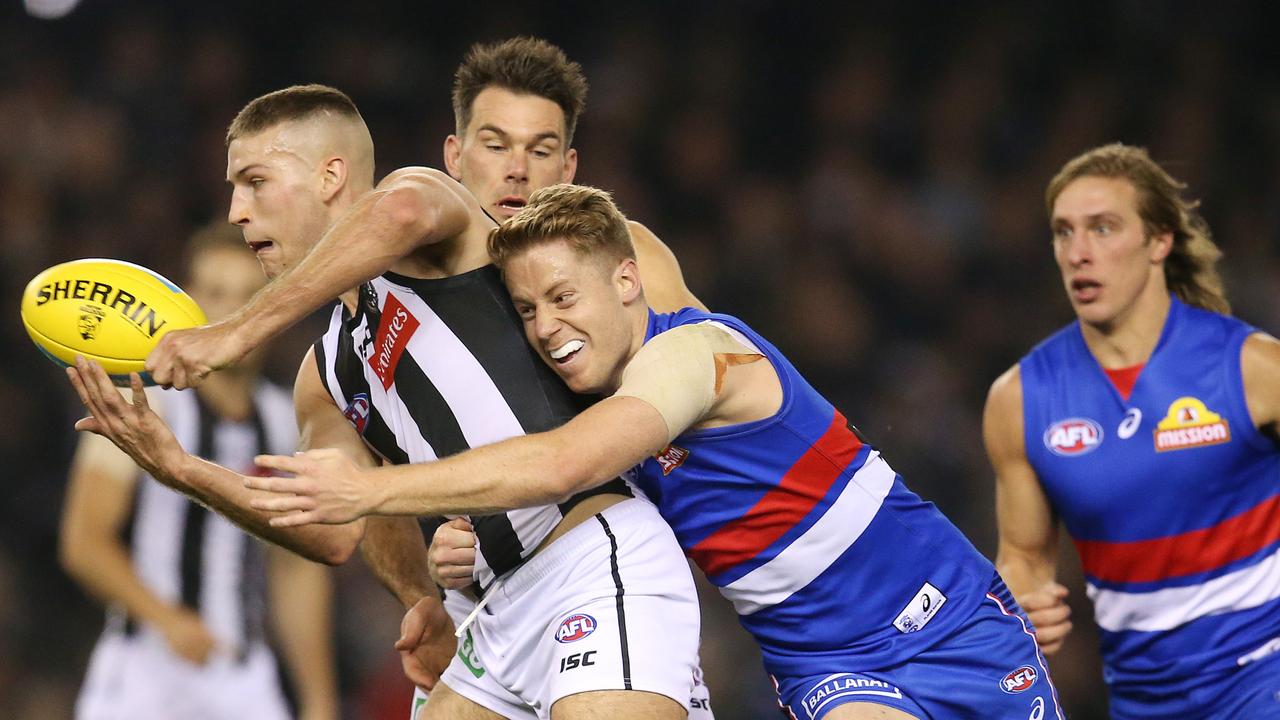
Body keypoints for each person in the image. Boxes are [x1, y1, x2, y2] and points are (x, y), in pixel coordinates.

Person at [239, 183, 1064, 720]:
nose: (548, 328)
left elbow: (563, 463)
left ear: (627, 282)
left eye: (563, 298)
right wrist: (460, 536)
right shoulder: (597, 399)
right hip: (826, 666)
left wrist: (370, 491)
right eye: (527, 311)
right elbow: (527, 466)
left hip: (950, 622)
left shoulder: (692, 355)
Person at [76, 38, 713, 719]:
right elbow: (334, 528)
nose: (235, 210)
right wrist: (179, 468)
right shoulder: (325, 372)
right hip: (491, 617)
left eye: (255, 182)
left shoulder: (437, 216)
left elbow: (399, 213)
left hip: (590, 564)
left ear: (329, 177)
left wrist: (232, 333)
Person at [981, 143, 1280, 718]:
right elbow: (1024, 557)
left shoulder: (1252, 369)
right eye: (1064, 232)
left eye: (1103, 228)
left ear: (1159, 242)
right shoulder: (1020, 401)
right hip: (1144, 699)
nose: (1079, 252)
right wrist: (1021, 604)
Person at [60, 225, 339, 720]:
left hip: (243, 675)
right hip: (144, 669)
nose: (231, 313)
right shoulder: (144, 407)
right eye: (215, 294)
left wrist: (318, 696)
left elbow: (295, 567)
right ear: (185, 305)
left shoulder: (285, 420)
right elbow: (85, 540)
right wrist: (165, 618)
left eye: (249, 297)